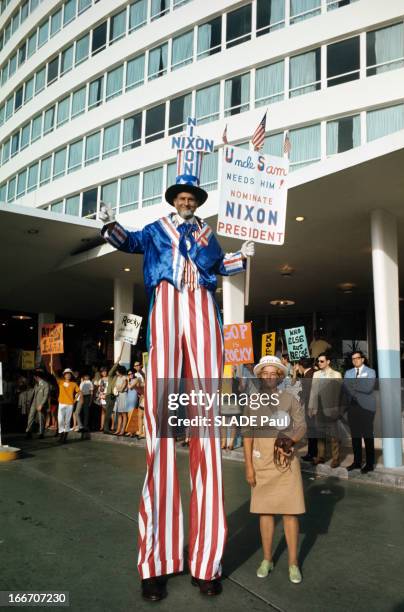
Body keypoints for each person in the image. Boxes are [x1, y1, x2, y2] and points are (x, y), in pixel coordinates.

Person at [100, 120, 255, 601]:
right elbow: (127, 242)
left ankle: (206, 562)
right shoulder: (157, 228)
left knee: (207, 440)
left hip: (202, 315)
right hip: (166, 311)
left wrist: (242, 257)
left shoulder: (209, 236)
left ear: (198, 199)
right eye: (181, 195)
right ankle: (156, 561)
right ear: (173, 198)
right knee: (161, 444)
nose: (186, 200)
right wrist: (108, 223)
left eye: (192, 195)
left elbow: (219, 267)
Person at [243, 356, 306, 584]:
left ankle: (293, 563)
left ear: (280, 377)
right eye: (265, 373)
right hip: (261, 464)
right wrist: (249, 466)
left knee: (290, 513)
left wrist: (291, 440)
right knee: (265, 512)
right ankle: (267, 559)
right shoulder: (251, 402)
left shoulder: (290, 399)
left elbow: (301, 426)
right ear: (260, 376)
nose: (269, 376)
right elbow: (247, 435)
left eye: (274, 373)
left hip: (287, 464)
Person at [308, 353, 342, 468]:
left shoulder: (336, 375)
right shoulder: (316, 374)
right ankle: (321, 456)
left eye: (322, 361)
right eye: (318, 361)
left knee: (334, 435)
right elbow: (313, 392)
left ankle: (336, 459)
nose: (319, 363)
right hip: (319, 408)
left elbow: (339, 394)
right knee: (320, 433)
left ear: (328, 362)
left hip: (331, 409)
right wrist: (311, 407)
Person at [344, 351, 376, 473]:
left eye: (357, 358)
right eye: (353, 359)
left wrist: (352, 385)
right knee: (355, 436)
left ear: (362, 359)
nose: (355, 360)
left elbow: (368, 388)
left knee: (367, 435)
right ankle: (357, 462)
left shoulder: (370, 372)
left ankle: (369, 464)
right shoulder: (348, 373)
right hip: (353, 407)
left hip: (367, 408)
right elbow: (345, 388)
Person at [294, 358, 318, 462]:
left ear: (301, 366)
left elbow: (308, 392)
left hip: (311, 406)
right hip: (311, 405)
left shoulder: (309, 375)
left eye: (298, 366)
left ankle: (312, 453)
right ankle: (312, 453)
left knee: (312, 430)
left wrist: (301, 401)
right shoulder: (311, 373)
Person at [51, 367, 81, 443]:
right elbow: (55, 376)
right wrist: (52, 367)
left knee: (67, 421)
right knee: (60, 420)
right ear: (64, 375)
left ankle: (64, 437)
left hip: (69, 404)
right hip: (61, 403)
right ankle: (61, 435)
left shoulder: (73, 384)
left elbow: (79, 392)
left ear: (71, 375)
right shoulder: (60, 382)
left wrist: (74, 400)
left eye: (69, 374)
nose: (68, 375)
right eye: (66, 374)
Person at [25, 370, 49, 439]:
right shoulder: (36, 384)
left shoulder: (45, 384)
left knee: (41, 418)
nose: (34, 378)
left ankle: (41, 433)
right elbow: (33, 394)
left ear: (37, 377)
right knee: (30, 417)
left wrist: (41, 404)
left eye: (34, 377)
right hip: (33, 404)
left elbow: (46, 396)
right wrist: (29, 403)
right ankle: (28, 432)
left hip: (40, 404)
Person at [113, 365, 128, 435]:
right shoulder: (117, 378)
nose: (116, 372)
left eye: (117, 371)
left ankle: (123, 430)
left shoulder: (125, 378)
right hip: (118, 396)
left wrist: (117, 388)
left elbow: (122, 389)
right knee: (118, 413)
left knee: (123, 413)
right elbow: (116, 387)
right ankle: (118, 429)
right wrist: (117, 388)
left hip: (123, 396)